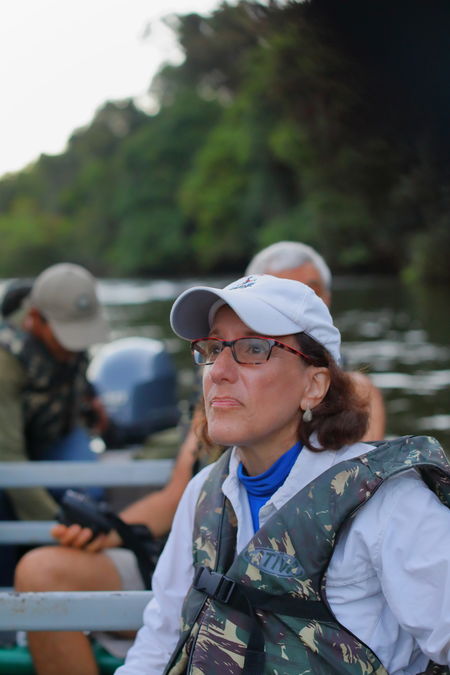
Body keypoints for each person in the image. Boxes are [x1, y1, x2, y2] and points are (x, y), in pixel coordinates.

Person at [115, 273, 450, 674]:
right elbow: (159, 643)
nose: (218, 371)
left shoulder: (390, 503)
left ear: (314, 386)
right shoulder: (203, 494)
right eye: (213, 347)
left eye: (254, 348)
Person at [245, 240, 386, 441]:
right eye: (282, 297)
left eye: (312, 293)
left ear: (327, 298)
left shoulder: (357, 390)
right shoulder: (219, 375)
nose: (301, 308)